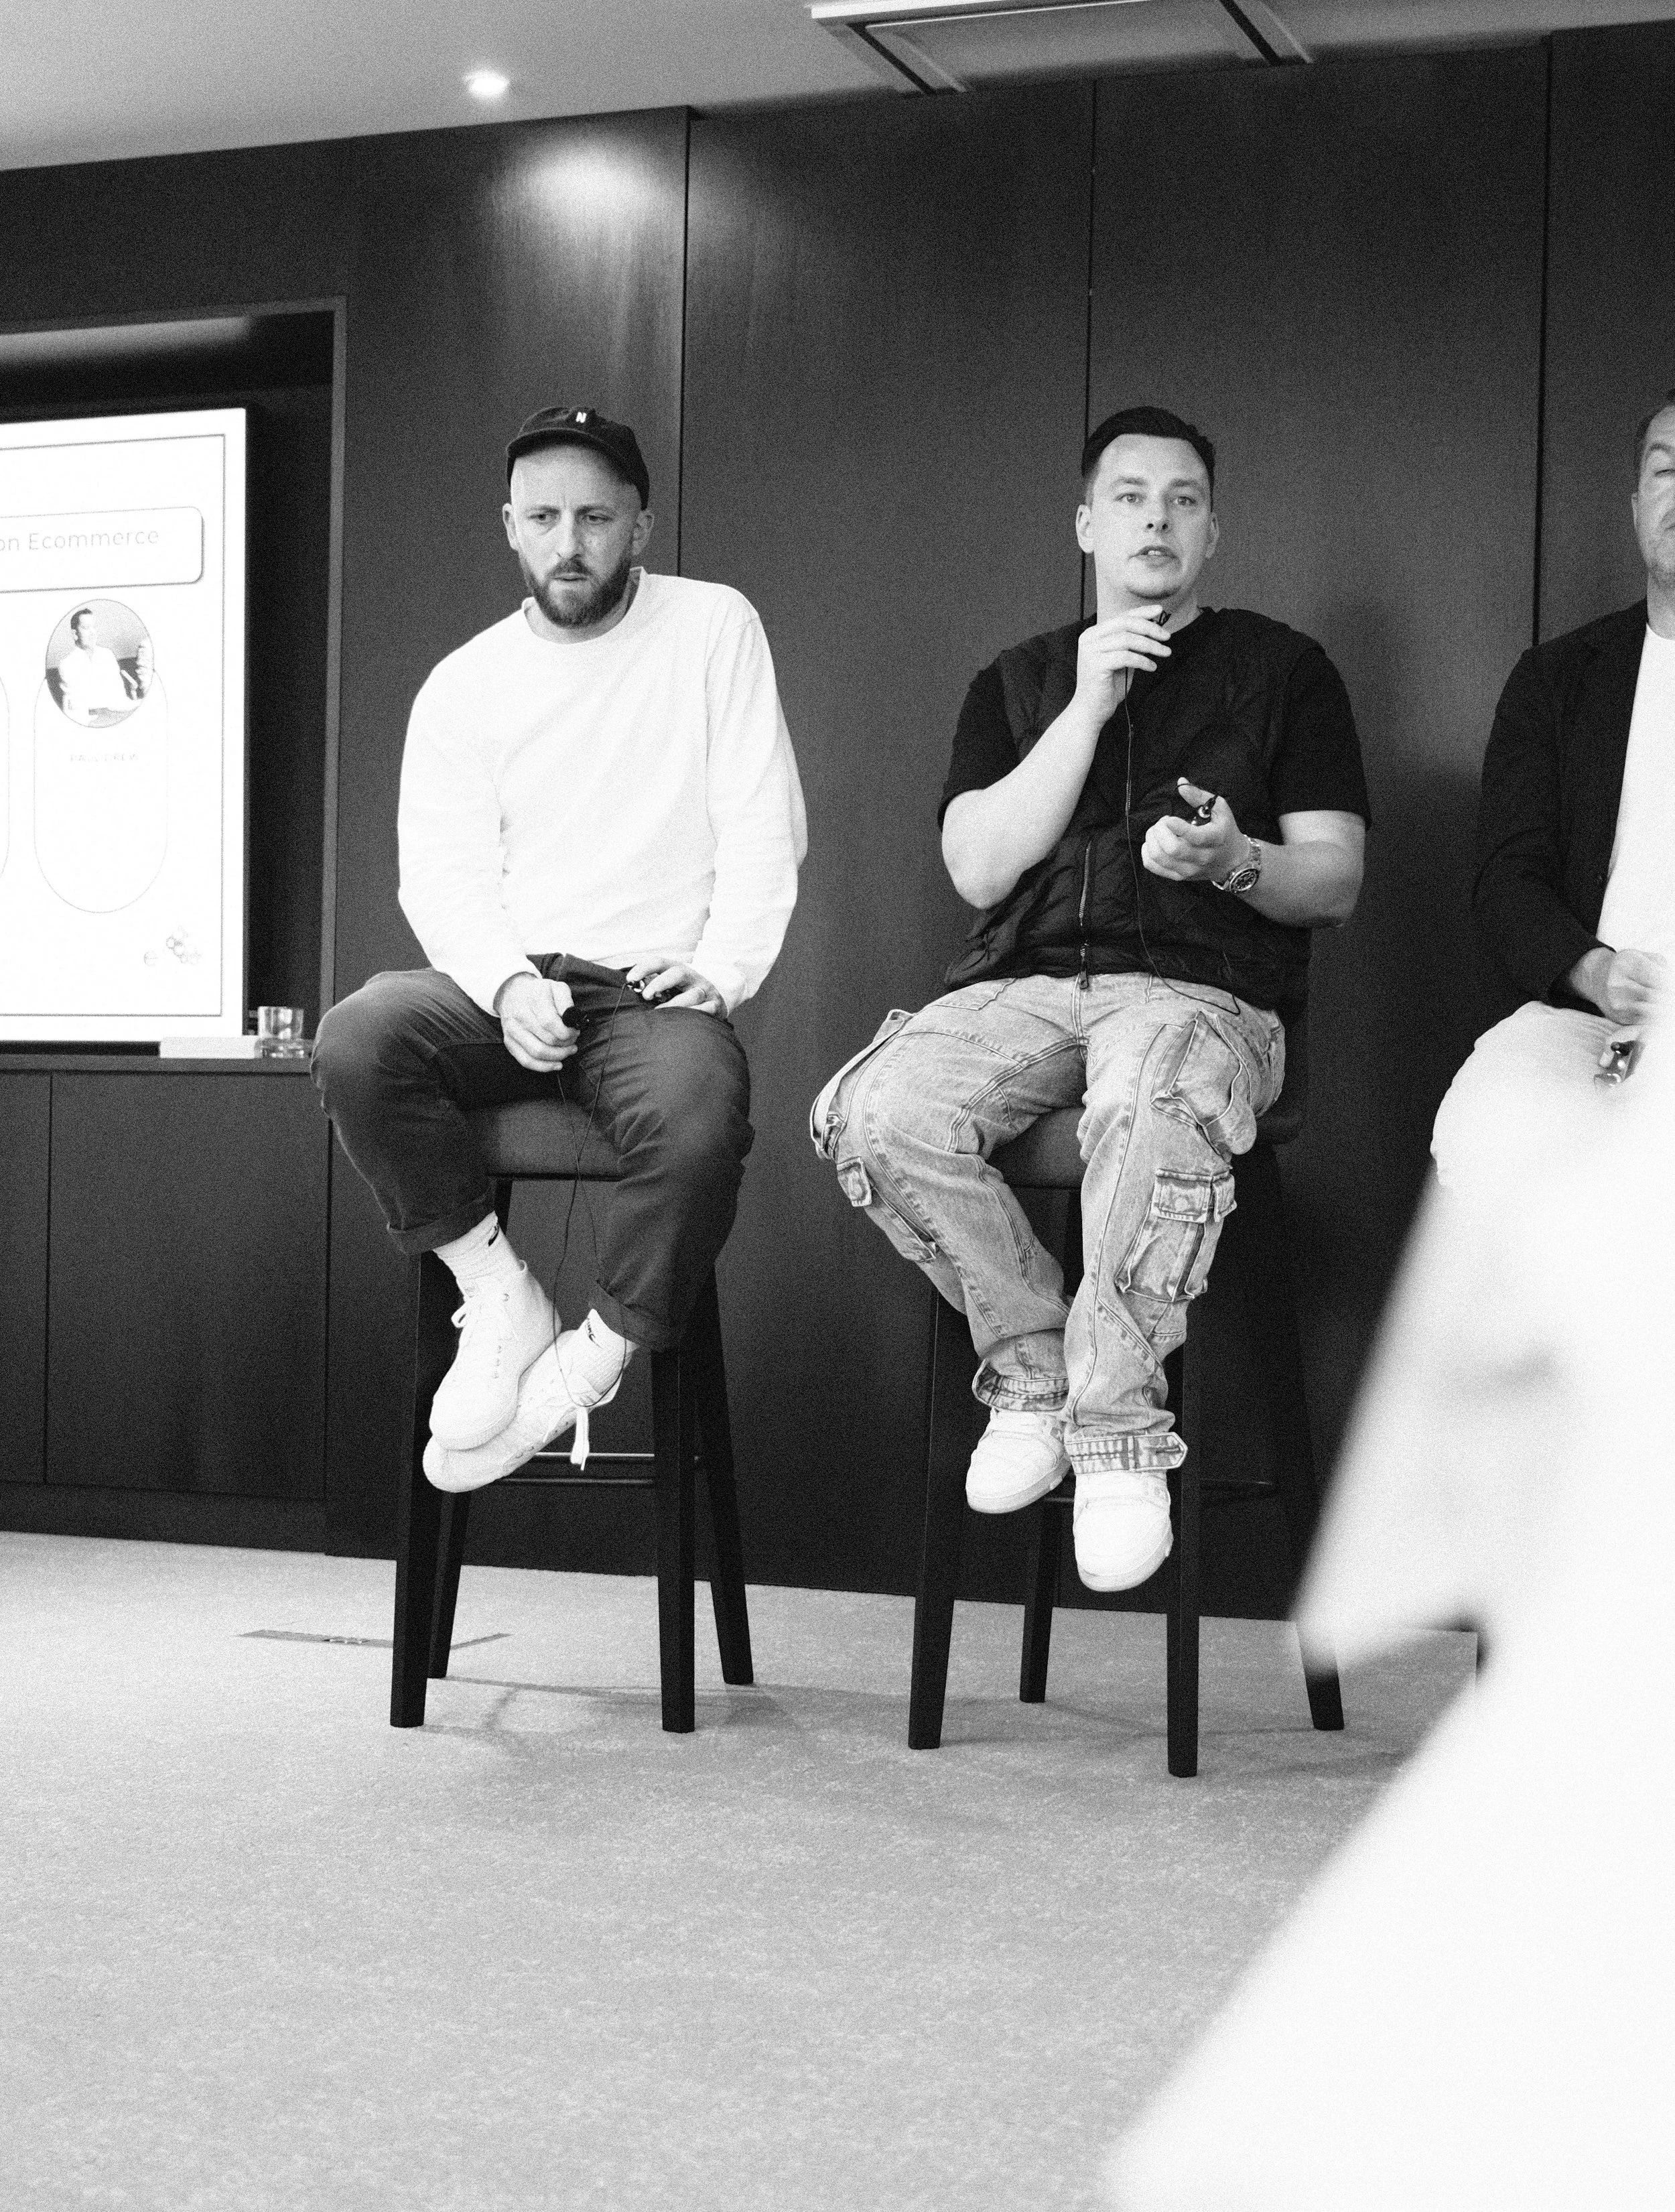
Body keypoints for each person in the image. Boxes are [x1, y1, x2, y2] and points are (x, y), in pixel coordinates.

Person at [811, 405, 1369, 1591]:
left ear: (1213, 531)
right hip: (1024, 991)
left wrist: (1235, 861)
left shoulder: (1284, 672)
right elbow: (977, 869)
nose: (1156, 520)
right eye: (1130, 497)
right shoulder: (1019, 680)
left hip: (1201, 994)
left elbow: (1335, 880)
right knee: (872, 1110)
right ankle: (1031, 1371)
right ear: (1086, 524)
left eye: (1182, 500)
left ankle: (1116, 1436)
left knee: (1149, 1097)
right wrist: (1086, 706)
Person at [313, 404, 805, 1488]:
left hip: (650, 990)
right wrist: (503, 983)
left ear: (640, 523)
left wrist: (721, 969)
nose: (569, 542)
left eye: (595, 516)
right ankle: (499, 1293)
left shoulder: (713, 625)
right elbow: (440, 871)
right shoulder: (466, 681)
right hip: (512, 986)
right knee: (357, 1039)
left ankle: (590, 1362)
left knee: (699, 1122)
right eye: (543, 517)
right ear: (510, 526)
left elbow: (763, 822)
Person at [1432, 388, 1675, 1192]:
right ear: (1635, 506)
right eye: (1666, 470)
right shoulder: (1558, 680)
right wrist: (1596, 972)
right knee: (1486, 1125)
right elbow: (1507, 882)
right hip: (1591, 1021)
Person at [57, 608, 135, 722]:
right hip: (88, 719)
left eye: (94, 627)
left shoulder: (107, 655)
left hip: (118, 710)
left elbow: (119, 694)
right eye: (86, 628)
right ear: (75, 634)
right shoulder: (67, 664)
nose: (92, 632)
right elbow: (76, 707)